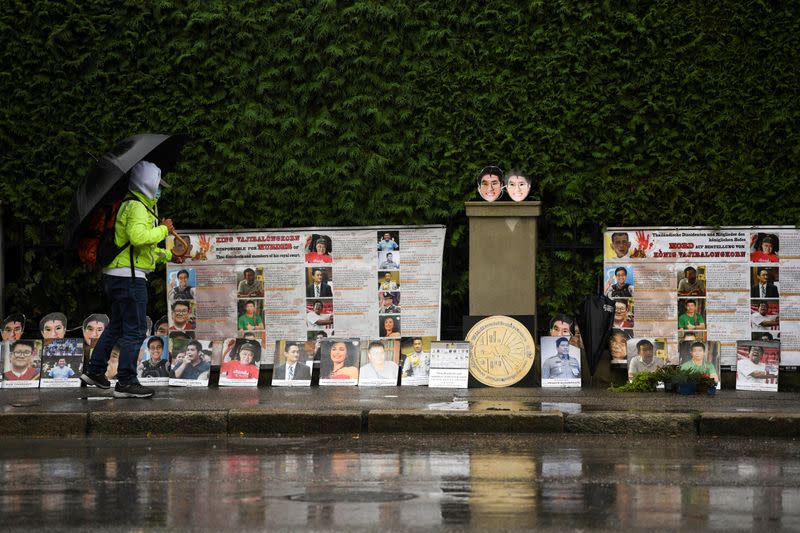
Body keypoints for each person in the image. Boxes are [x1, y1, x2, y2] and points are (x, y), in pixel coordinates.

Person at [81, 160, 177, 398]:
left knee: (117, 326)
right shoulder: (136, 207)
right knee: (134, 332)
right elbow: (138, 237)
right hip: (129, 279)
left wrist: (169, 254)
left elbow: (140, 251)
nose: (159, 190)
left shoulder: (137, 205)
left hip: (119, 275)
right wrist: (164, 229)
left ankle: (95, 371)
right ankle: (126, 381)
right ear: (146, 183)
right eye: (157, 184)